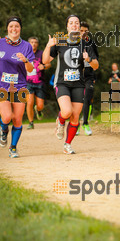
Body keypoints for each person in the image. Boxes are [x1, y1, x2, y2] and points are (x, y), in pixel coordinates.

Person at [42, 14, 99, 154]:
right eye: (71, 23)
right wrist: (48, 46)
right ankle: (60, 121)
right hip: (62, 83)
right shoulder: (60, 42)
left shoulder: (86, 44)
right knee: (67, 111)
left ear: (79, 26)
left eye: (76, 23)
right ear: (67, 26)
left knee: (75, 116)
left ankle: (67, 144)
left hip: (79, 84)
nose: (74, 25)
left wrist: (89, 59)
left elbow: (96, 66)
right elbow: (45, 61)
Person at [0, 16, 35, 158]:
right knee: (7, 116)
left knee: (17, 119)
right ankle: (3, 129)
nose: (14, 29)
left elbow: (30, 69)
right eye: (11, 26)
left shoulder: (26, 46)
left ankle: (13, 148)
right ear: (7, 28)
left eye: (17, 26)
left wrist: (25, 60)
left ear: (20, 28)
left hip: (19, 87)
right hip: (1, 86)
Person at [77, 21, 99, 136]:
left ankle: (85, 123)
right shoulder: (73, 43)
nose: (83, 33)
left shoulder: (91, 44)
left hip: (89, 75)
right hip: (76, 75)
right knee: (77, 100)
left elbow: (96, 62)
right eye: (81, 30)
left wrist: (94, 76)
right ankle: (75, 125)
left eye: (86, 31)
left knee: (87, 99)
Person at [26, 37, 51, 129]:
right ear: (28, 44)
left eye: (35, 42)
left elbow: (49, 64)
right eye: (32, 42)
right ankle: (31, 122)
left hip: (40, 82)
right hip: (27, 82)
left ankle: (38, 110)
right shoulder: (25, 53)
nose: (34, 44)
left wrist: (44, 66)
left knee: (40, 105)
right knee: (29, 103)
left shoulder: (41, 53)